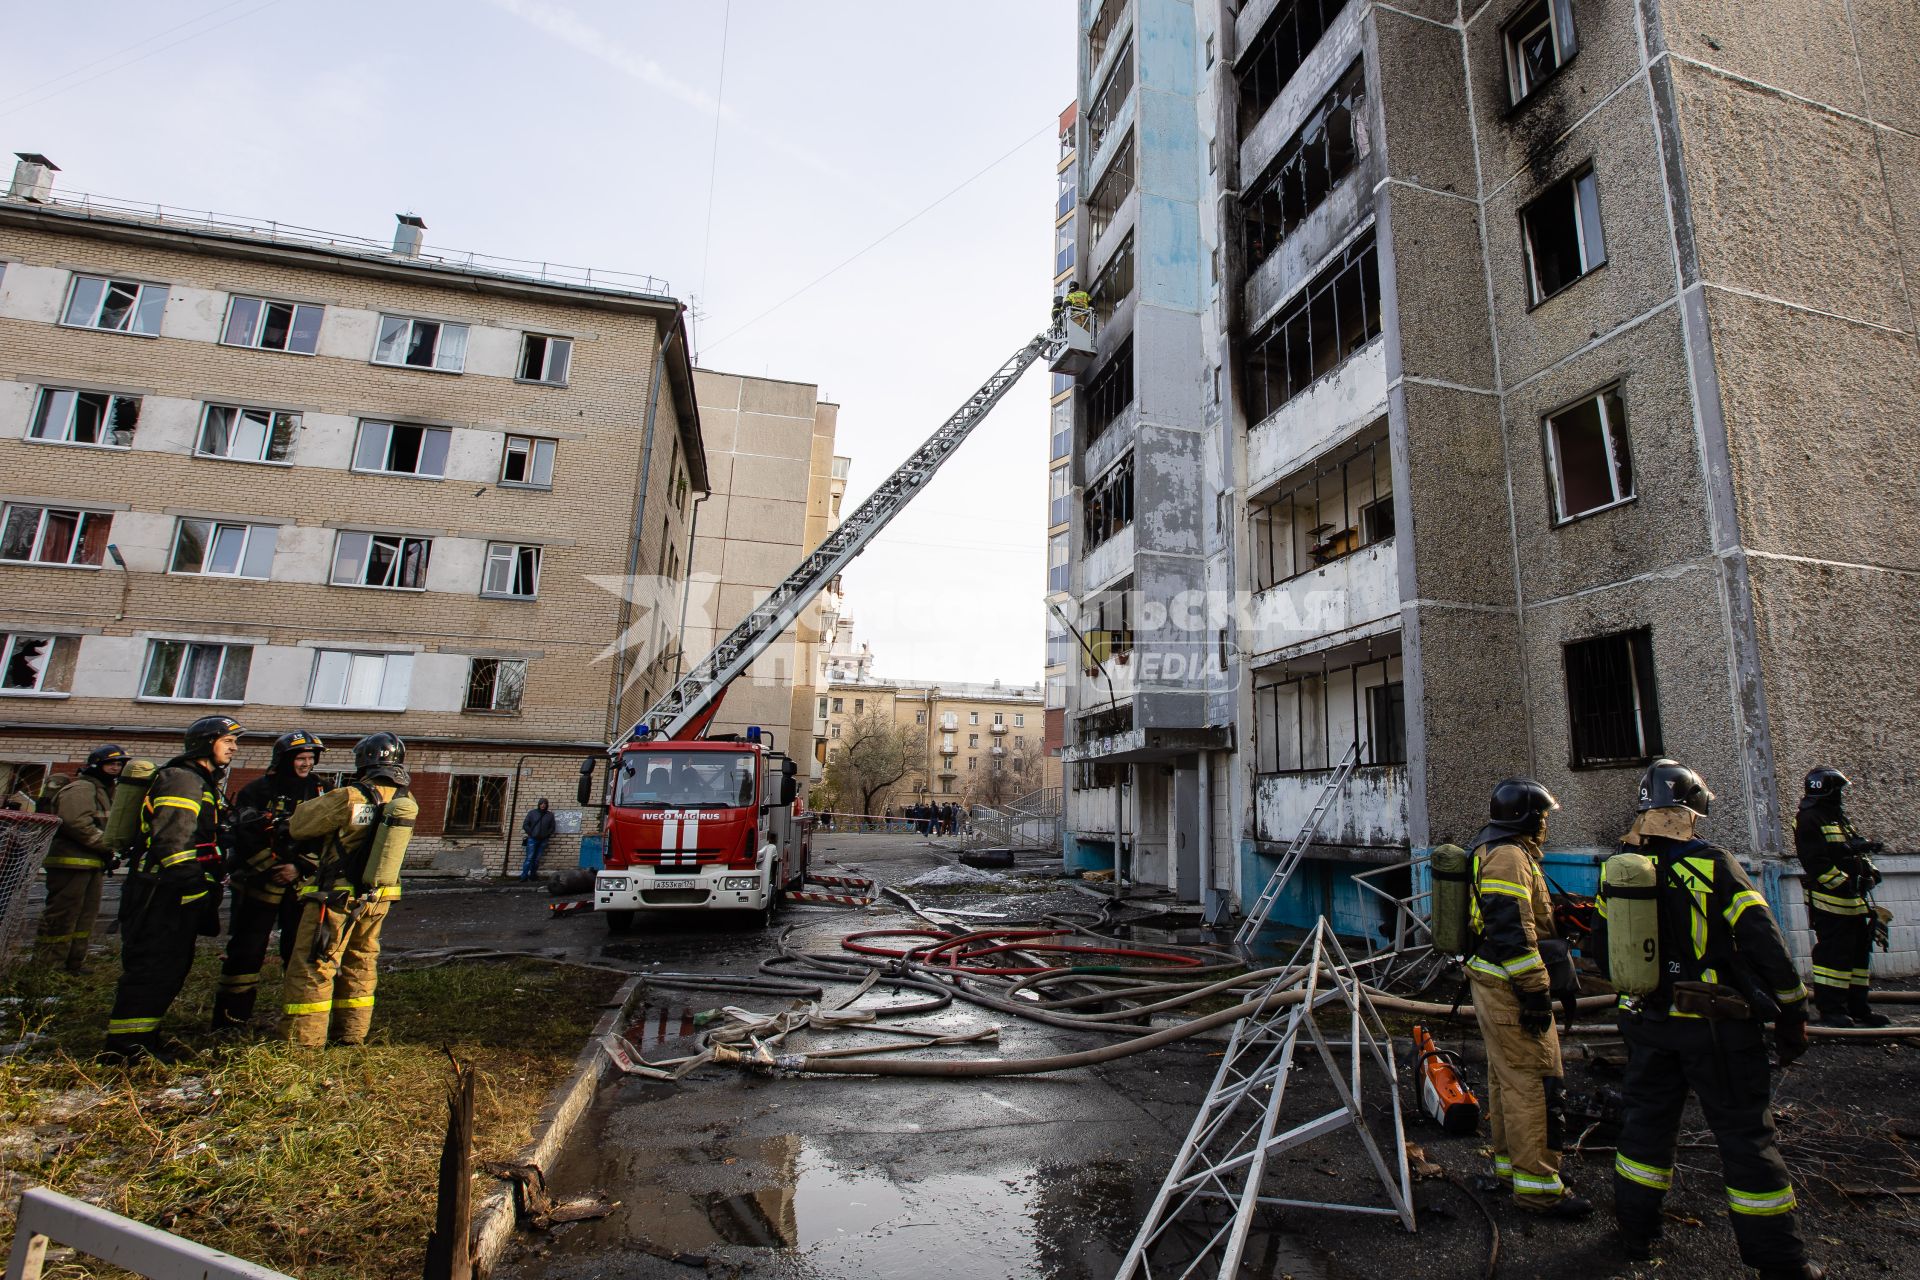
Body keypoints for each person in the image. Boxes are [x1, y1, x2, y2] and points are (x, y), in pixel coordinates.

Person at [1596, 759, 1819, 1278]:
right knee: (1745, 1137)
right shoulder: (1713, 864)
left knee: (1645, 1129)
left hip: (1648, 1023)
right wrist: (1793, 1011)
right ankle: (1782, 1262)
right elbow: (1764, 941)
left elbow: (1602, 955)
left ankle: (1636, 1234)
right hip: (1714, 1026)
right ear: (1692, 808)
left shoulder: (1621, 869)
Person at [1465, 776, 1590, 1217]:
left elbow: (1520, 915)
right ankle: (1537, 1186)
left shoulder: (1503, 853)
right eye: (1542, 816)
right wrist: (1536, 990)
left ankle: (1513, 1166)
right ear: (1526, 817)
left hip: (1494, 979)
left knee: (1507, 1077)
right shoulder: (1508, 858)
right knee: (1534, 1082)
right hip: (1508, 985)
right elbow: (1510, 931)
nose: (1545, 825)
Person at [104, 717, 240, 1061]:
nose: (234, 747)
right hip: (161, 893)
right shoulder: (183, 781)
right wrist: (193, 889)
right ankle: (126, 1049)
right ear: (206, 743)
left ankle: (144, 1038)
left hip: (168, 891)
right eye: (227, 740)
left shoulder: (199, 782)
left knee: (169, 967)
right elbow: (173, 842)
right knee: (153, 966)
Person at [279, 732, 415, 1047]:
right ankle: (351, 1036)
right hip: (378, 897)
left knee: (316, 964)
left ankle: (303, 1042)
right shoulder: (404, 800)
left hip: (336, 897)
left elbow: (300, 825)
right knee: (361, 963)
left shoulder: (350, 796)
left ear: (364, 761)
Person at [212, 730, 328, 1032]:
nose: (306, 764)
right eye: (301, 758)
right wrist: (273, 867)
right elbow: (243, 835)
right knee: (246, 950)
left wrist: (299, 867)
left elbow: (327, 837)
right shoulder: (257, 791)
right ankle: (231, 1019)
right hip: (256, 885)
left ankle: (296, 1019)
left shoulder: (320, 792)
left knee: (298, 951)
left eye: (310, 759)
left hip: (298, 887)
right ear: (285, 760)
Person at [1793, 766, 1888, 1027]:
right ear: (1828, 790)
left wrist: (1870, 873)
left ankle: (1858, 1007)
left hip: (1855, 902)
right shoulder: (1809, 819)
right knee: (1833, 957)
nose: (1841, 796)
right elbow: (1816, 862)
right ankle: (1831, 1008)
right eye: (1839, 790)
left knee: (1858, 955)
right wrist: (1845, 884)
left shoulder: (1838, 818)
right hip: (1830, 903)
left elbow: (1855, 850)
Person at [37, 744, 127, 974]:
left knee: (85, 917)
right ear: (97, 765)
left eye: (119, 764)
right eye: (111, 763)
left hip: (92, 863)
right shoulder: (82, 788)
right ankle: (47, 967)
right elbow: (75, 822)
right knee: (63, 916)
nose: (116, 768)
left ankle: (73, 963)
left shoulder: (105, 790)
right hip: (70, 863)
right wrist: (107, 846)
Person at [520, 798, 557, 881]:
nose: (543, 805)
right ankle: (524, 876)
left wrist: (547, 835)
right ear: (539, 804)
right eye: (541, 803)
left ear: (547, 805)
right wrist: (531, 833)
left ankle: (533, 876)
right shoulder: (532, 813)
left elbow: (552, 827)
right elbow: (525, 825)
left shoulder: (549, 815)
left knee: (536, 860)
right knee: (529, 858)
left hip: (543, 840)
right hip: (532, 839)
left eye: (545, 803)